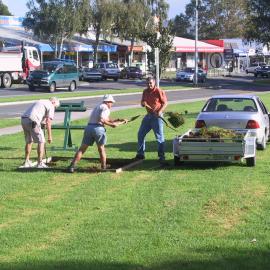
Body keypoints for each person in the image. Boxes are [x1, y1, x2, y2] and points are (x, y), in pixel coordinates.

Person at [68, 94, 126, 173]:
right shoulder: (106, 108)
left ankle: (72, 166)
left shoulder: (98, 106)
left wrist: (118, 120)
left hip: (89, 128)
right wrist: (112, 125)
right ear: (108, 102)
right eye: (111, 102)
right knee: (101, 149)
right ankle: (104, 167)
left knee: (82, 149)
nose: (112, 104)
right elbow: (102, 119)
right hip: (98, 129)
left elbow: (107, 119)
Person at [136, 76, 168, 164]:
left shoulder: (159, 91)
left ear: (154, 83)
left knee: (159, 137)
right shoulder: (145, 91)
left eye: (150, 83)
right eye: (147, 83)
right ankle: (140, 154)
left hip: (157, 117)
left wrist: (160, 111)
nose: (149, 84)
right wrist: (143, 103)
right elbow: (142, 103)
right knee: (140, 134)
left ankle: (161, 156)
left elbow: (165, 103)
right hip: (148, 116)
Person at [21, 97, 60, 168]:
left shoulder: (41, 101)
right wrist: (49, 136)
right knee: (41, 141)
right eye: (55, 106)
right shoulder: (51, 106)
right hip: (33, 120)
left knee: (29, 141)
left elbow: (38, 113)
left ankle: (26, 162)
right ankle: (40, 163)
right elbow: (48, 122)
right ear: (53, 102)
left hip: (24, 119)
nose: (55, 108)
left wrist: (42, 122)